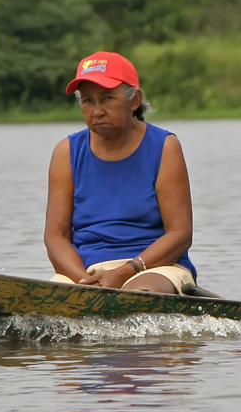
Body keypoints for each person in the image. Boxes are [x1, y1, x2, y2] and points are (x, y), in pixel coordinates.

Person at [43, 51, 198, 294]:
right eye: (88, 101)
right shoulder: (67, 152)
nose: (97, 110)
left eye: (107, 98)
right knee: (48, 308)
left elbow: (180, 234)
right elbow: (56, 237)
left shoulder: (164, 146)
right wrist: (85, 282)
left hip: (154, 269)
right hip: (85, 273)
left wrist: (126, 271)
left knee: (139, 297)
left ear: (134, 100)